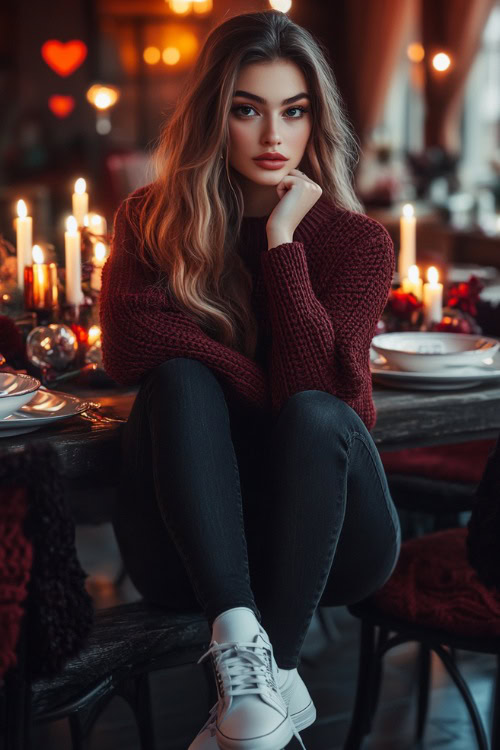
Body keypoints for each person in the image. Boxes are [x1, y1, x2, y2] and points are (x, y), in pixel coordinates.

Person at [99, 9, 402, 750]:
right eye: (248, 110)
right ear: (215, 117)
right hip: (195, 550)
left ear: (314, 121)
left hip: (335, 541)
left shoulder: (358, 242)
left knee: (312, 414)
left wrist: (282, 243)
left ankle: (265, 671)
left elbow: (321, 398)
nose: (273, 137)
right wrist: (244, 376)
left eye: (293, 112)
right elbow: (128, 343)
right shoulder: (151, 221)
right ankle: (258, 666)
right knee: (177, 380)